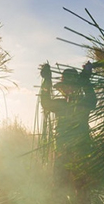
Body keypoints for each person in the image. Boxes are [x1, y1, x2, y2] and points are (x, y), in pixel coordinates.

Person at [40, 62, 97, 194]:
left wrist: (85, 80)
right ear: (62, 89)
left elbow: (93, 101)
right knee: (60, 185)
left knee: (82, 185)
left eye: (72, 86)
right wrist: (47, 81)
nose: (69, 89)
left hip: (81, 149)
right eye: (66, 87)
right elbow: (45, 103)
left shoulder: (84, 102)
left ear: (77, 87)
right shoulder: (60, 104)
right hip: (62, 150)